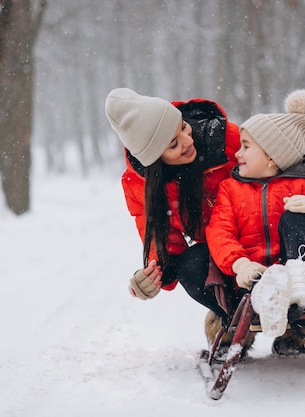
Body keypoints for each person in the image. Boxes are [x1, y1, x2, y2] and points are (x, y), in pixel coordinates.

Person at [206, 89, 305, 356]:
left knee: (294, 217)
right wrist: (240, 263)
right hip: (255, 276)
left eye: (246, 147)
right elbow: (220, 233)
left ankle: (301, 301)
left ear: (272, 157)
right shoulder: (230, 189)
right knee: (263, 283)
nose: (238, 154)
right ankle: (271, 297)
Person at [104, 87, 243, 346]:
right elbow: (163, 243)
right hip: (220, 250)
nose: (187, 140)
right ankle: (239, 318)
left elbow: (284, 170)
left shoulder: (223, 138)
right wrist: (152, 277)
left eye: (183, 127)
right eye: (173, 144)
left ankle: (300, 317)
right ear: (155, 160)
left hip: (259, 232)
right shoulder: (141, 186)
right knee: (190, 267)